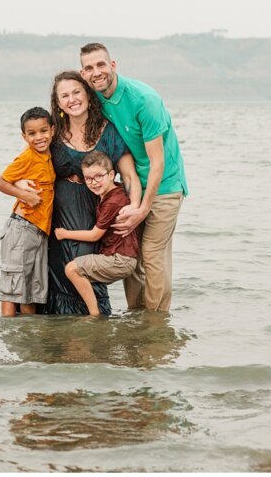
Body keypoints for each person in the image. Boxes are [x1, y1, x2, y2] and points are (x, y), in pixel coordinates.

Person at [80, 42, 187, 312]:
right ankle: (137, 319)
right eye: (89, 68)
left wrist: (143, 208)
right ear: (83, 74)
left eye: (101, 65)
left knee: (152, 254)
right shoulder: (97, 99)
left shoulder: (144, 100)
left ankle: (156, 323)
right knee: (133, 256)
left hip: (165, 186)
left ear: (113, 65)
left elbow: (157, 161)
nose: (96, 72)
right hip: (133, 185)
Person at [30, 71, 141, 315]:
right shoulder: (53, 133)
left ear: (89, 96)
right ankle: (62, 340)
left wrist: (135, 208)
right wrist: (21, 188)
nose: (72, 99)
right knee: (58, 274)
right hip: (58, 216)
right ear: (58, 103)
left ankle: (95, 329)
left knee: (85, 271)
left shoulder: (108, 131)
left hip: (94, 215)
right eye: (65, 95)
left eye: (77, 92)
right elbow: (28, 165)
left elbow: (129, 175)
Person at [54, 150, 139, 317]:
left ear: (112, 174)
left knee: (72, 269)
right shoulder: (112, 193)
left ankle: (94, 315)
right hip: (118, 256)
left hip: (120, 259)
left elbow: (94, 235)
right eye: (89, 179)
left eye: (99, 176)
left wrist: (64, 233)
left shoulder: (113, 201)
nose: (94, 183)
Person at [0, 107, 55, 317]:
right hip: (21, 228)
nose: (39, 137)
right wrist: (25, 195)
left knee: (32, 288)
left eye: (43, 131)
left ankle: (28, 334)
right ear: (24, 136)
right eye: (32, 133)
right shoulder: (27, 157)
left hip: (39, 231)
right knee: (13, 286)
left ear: (52, 130)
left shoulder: (49, 155)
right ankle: (8, 329)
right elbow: (0, 182)